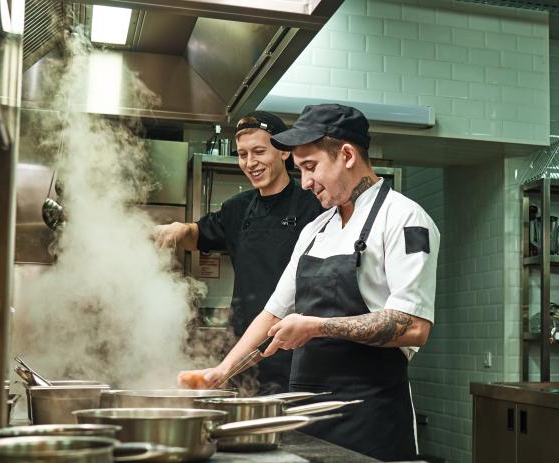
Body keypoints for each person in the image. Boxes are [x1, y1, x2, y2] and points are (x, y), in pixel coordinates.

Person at [177, 104, 439, 461]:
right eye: (299, 170)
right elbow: (273, 312)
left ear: (346, 154)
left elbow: (413, 327)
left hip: (370, 414)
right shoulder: (316, 229)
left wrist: (316, 326)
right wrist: (221, 372)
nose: (305, 183)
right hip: (309, 412)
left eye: (311, 167)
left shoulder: (404, 219)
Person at [155, 111, 324, 394]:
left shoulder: (313, 205)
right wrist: (180, 229)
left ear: (284, 153)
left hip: (297, 352)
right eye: (243, 154)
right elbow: (197, 234)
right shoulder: (237, 209)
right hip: (245, 352)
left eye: (259, 151)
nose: (250, 163)